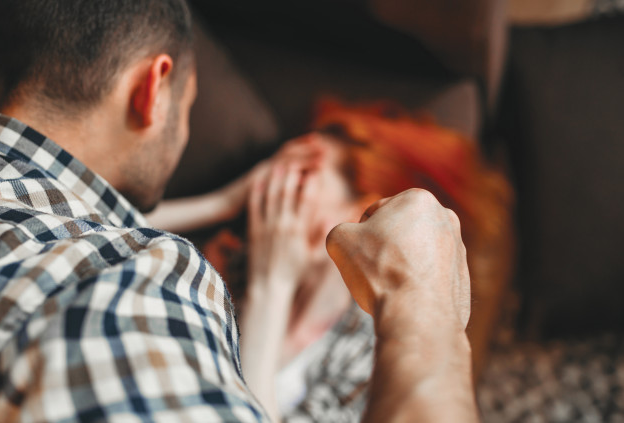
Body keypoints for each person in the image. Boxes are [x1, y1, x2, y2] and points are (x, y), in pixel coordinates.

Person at [0, 1, 478, 422]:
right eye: (187, 110)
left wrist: (225, 207)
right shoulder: (159, 279)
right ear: (152, 91)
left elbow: (61, 216)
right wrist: (421, 297)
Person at [148, 101, 511, 421]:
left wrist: (271, 289)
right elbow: (114, 239)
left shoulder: (371, 348)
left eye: (298, 181)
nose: (271, 190)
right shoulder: (236, 260)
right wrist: (221, 203)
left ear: (362, 216)